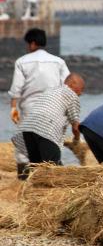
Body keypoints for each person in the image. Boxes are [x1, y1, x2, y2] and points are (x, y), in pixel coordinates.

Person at [8, 28, 70, 178]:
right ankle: (52, 176)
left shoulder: (22, 61)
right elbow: (67, 86)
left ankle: (24, 179)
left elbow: (17, 88)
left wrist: (13, 108)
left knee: (24, 146)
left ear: (32, 43)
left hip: (30, 110)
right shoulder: (58, 62)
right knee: (51, 142)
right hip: (53, 110)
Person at [13, 74, 84, 169]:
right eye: (81, 88)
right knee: (54, 169)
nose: (81, 93)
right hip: (46, 130)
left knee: (37, 168)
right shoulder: (72, 95)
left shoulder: (50, 91)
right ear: (72, 84)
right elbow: (76, 127)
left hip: (28, 129)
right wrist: (77, 141)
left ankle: (35, 184)